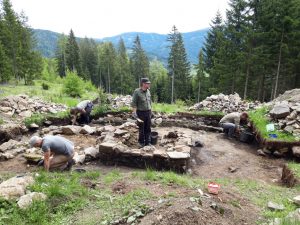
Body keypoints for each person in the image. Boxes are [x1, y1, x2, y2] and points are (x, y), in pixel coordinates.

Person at [131, 78, 152, 147]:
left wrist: (151, 111)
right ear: (143, 84)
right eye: (148, 83)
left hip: (148, 112)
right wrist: (134, 113)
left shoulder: (148, 91)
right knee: (141, 129)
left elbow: (149, 102)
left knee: (148, 128)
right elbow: (134, 103)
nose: (149, 84)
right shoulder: (137, 92)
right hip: (141, 113)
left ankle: (148, 143)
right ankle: (141, 143)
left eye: (149, 83)